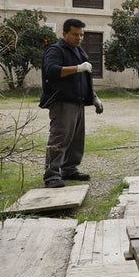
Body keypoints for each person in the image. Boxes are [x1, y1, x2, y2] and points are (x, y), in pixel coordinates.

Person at [39, 18, 104, 188]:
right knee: (60, 138)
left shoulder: (79, 51)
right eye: (75, 34)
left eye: (81, 35)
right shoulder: (55, 50)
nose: (79, 38)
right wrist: (77, 68)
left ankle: (69, 169)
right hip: (62, 102)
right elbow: (51, 71)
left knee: (76, 139)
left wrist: (94, 97)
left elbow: (84, 78)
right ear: (64, 33)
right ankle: (52, 175)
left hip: (78, 102)